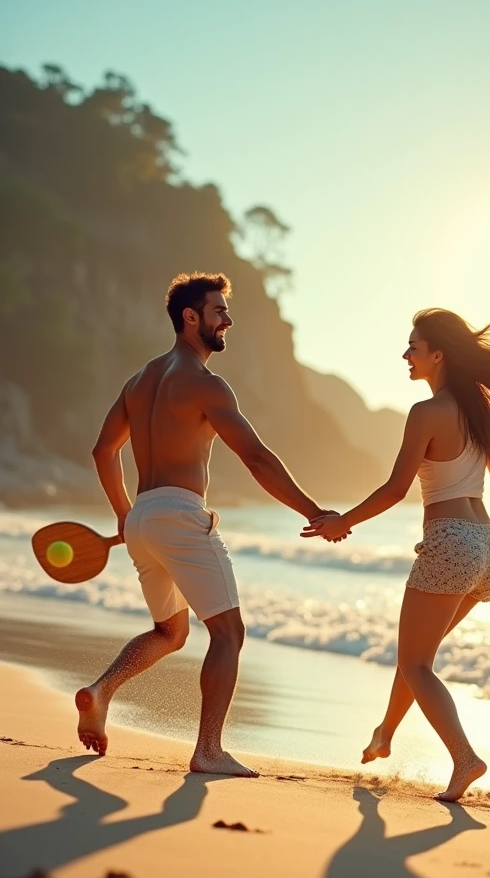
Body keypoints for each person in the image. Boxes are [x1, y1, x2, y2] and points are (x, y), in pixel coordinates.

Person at [76, 271, 344, 775]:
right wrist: (314, 512)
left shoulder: (139, 381)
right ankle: (209, 750)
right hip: (179, 513)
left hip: (144, 516)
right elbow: (256, 457)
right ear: (190, 317)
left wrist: (125, 514)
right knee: (228, 633)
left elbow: (103, 450)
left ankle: (101, 690)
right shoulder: (204, 384)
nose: (228, 321)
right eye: (219, 312)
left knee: (170, 632)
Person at [302, 308, 490, 801]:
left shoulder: (426, 413)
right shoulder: (483, 414)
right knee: (417, 658)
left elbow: (394, 489)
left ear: (438, 355)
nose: (406, 354)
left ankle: (465, 758)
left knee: (415, 662)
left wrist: (343, 522)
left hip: (451, 544)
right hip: (488, 549)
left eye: (414, 347)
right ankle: (385, 734)